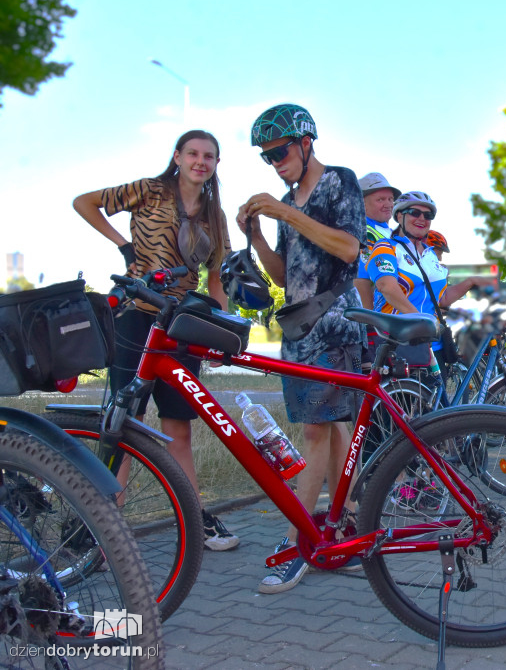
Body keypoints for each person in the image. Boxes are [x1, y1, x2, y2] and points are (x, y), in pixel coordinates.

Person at [72, 129, 239, 552]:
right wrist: (124, 246)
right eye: (194, 153)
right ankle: (102, 523)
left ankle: (194, 519)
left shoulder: (214, 216)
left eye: (210, 156)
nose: (201, 161)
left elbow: (216, 277)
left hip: (183, 323)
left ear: (216, 164)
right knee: (123, 421)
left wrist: (220, 329)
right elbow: (83, 203)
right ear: (178, 156)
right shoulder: (149, 190)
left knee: (178, 426)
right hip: (136, 316)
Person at [237, 103, 366, 593]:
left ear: (307, 142)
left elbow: (350, 249)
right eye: (266, 157)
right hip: (299, 327)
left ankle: (300, 545)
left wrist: (283, 209)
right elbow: (282, 274)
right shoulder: (286, 202)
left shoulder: (339, 182)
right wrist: (256, 233)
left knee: (316, 432)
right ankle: (342, 530)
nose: (275, 162)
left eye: (280, 151)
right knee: (329, 431)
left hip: (333, 323)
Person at [366, 191, 490, 374]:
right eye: (415, 212)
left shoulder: (430, 255)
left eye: (428, 215)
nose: (422, 218)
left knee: (431, 400)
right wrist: (421, 321)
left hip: (426, 344)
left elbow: (442, 299)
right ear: (400, 216)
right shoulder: (386, 247)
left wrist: (470, 281)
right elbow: (387, 287)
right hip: (394, 341)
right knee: (401, 400)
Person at [355, 172, 401, 310]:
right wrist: (369, 322)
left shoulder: (390, 232)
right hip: (379, 321)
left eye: (390, 199)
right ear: (362, 203)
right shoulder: (363, 231)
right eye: (380, 200)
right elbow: (361, 280)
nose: (388, 204)